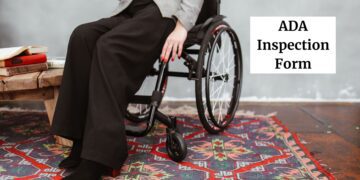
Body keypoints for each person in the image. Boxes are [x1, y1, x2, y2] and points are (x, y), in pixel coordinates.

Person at [49, 0, 204, 179]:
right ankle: (82, 141)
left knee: (109, 47)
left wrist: (182, 26)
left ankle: (100, 157)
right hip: (133, 9)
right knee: (82, 36)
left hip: (167, 13)